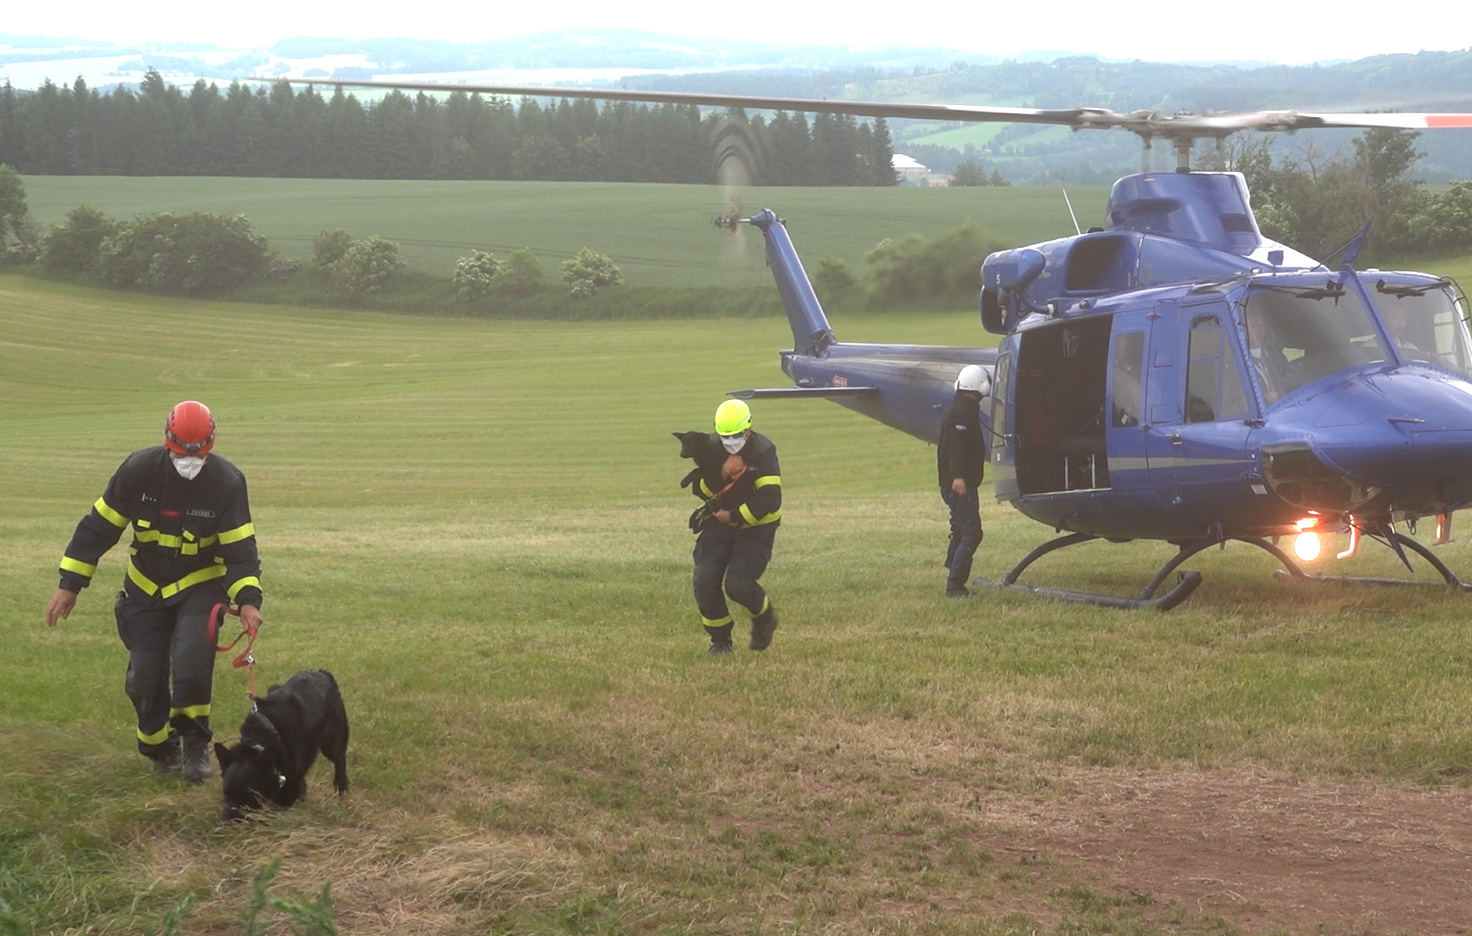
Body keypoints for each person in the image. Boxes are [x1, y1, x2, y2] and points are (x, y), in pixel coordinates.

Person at [43, 401, 263, 782]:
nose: (189, 462)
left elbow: (240, 552)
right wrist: (70, 585)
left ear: (210, 445)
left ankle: (194, 742)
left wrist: (247, 601)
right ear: (167, 442)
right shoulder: (138, 471)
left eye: (199, 455)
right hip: (145, 587)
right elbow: (98, 527)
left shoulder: (228, 482)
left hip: (200, 583)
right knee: (145, 677)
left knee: (193, 658)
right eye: (181, 453)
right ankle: (159, 747)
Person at [688, 399, 782, 653]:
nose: (730, 441)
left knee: (738, 585)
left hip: (756, 527)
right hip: (719, 524)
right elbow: (701, 489)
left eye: (736, 435)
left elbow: (771, 499)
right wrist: (719, 475)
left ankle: (764, 618)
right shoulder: (711, 447)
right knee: (704, 580)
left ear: (748, 429)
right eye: (725, 436)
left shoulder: (763, 451)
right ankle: (720, 641)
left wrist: (733, 515)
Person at [938, 365, 990, 597]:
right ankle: (955, 586)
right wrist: (958, 477)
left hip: (957, 482)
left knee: (960, 529)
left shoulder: (963, 410)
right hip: (960, 483)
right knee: (972, 533)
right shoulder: (961, 414)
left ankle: (952, 568)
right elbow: (956, 448)